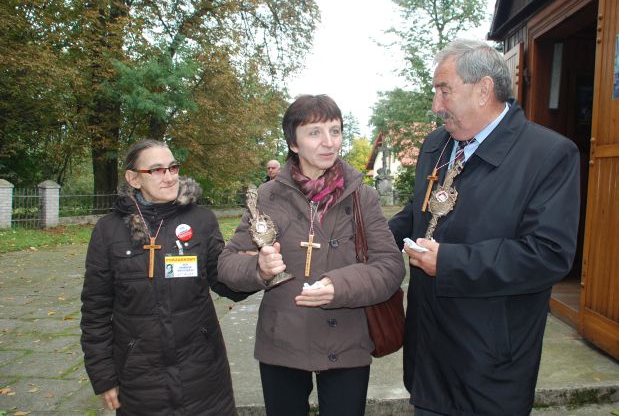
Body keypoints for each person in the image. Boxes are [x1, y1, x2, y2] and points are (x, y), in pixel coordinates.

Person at [389, 39, 580, 415]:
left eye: (444, 91)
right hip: (428, 356)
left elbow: (549, 255)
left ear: (483, 90)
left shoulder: (548, 155)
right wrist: (363, 240)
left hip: (490, 362)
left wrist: (451, 262)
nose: (435, 105)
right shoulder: (436, 145)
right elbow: (418, 211)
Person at [217, 94, 405, 416]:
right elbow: (227, 263)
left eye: (335, 130)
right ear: (293, 142)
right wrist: (259, 269)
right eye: (315, 132)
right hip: (283, 341)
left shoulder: (363, 195)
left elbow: (390, 266)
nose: (329, 142)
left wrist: (339, 286)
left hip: (346, 338)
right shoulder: (267, 196)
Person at [80, 139, 245, 415]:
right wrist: (103, 376)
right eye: (156, 170)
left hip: (203, 373)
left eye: (173, 167)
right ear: (133, 178)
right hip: (140, 377)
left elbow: (226, 281)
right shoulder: (108, 231)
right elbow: (95, 310)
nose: (169, 177)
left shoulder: (201, 220)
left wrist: (258, 271)